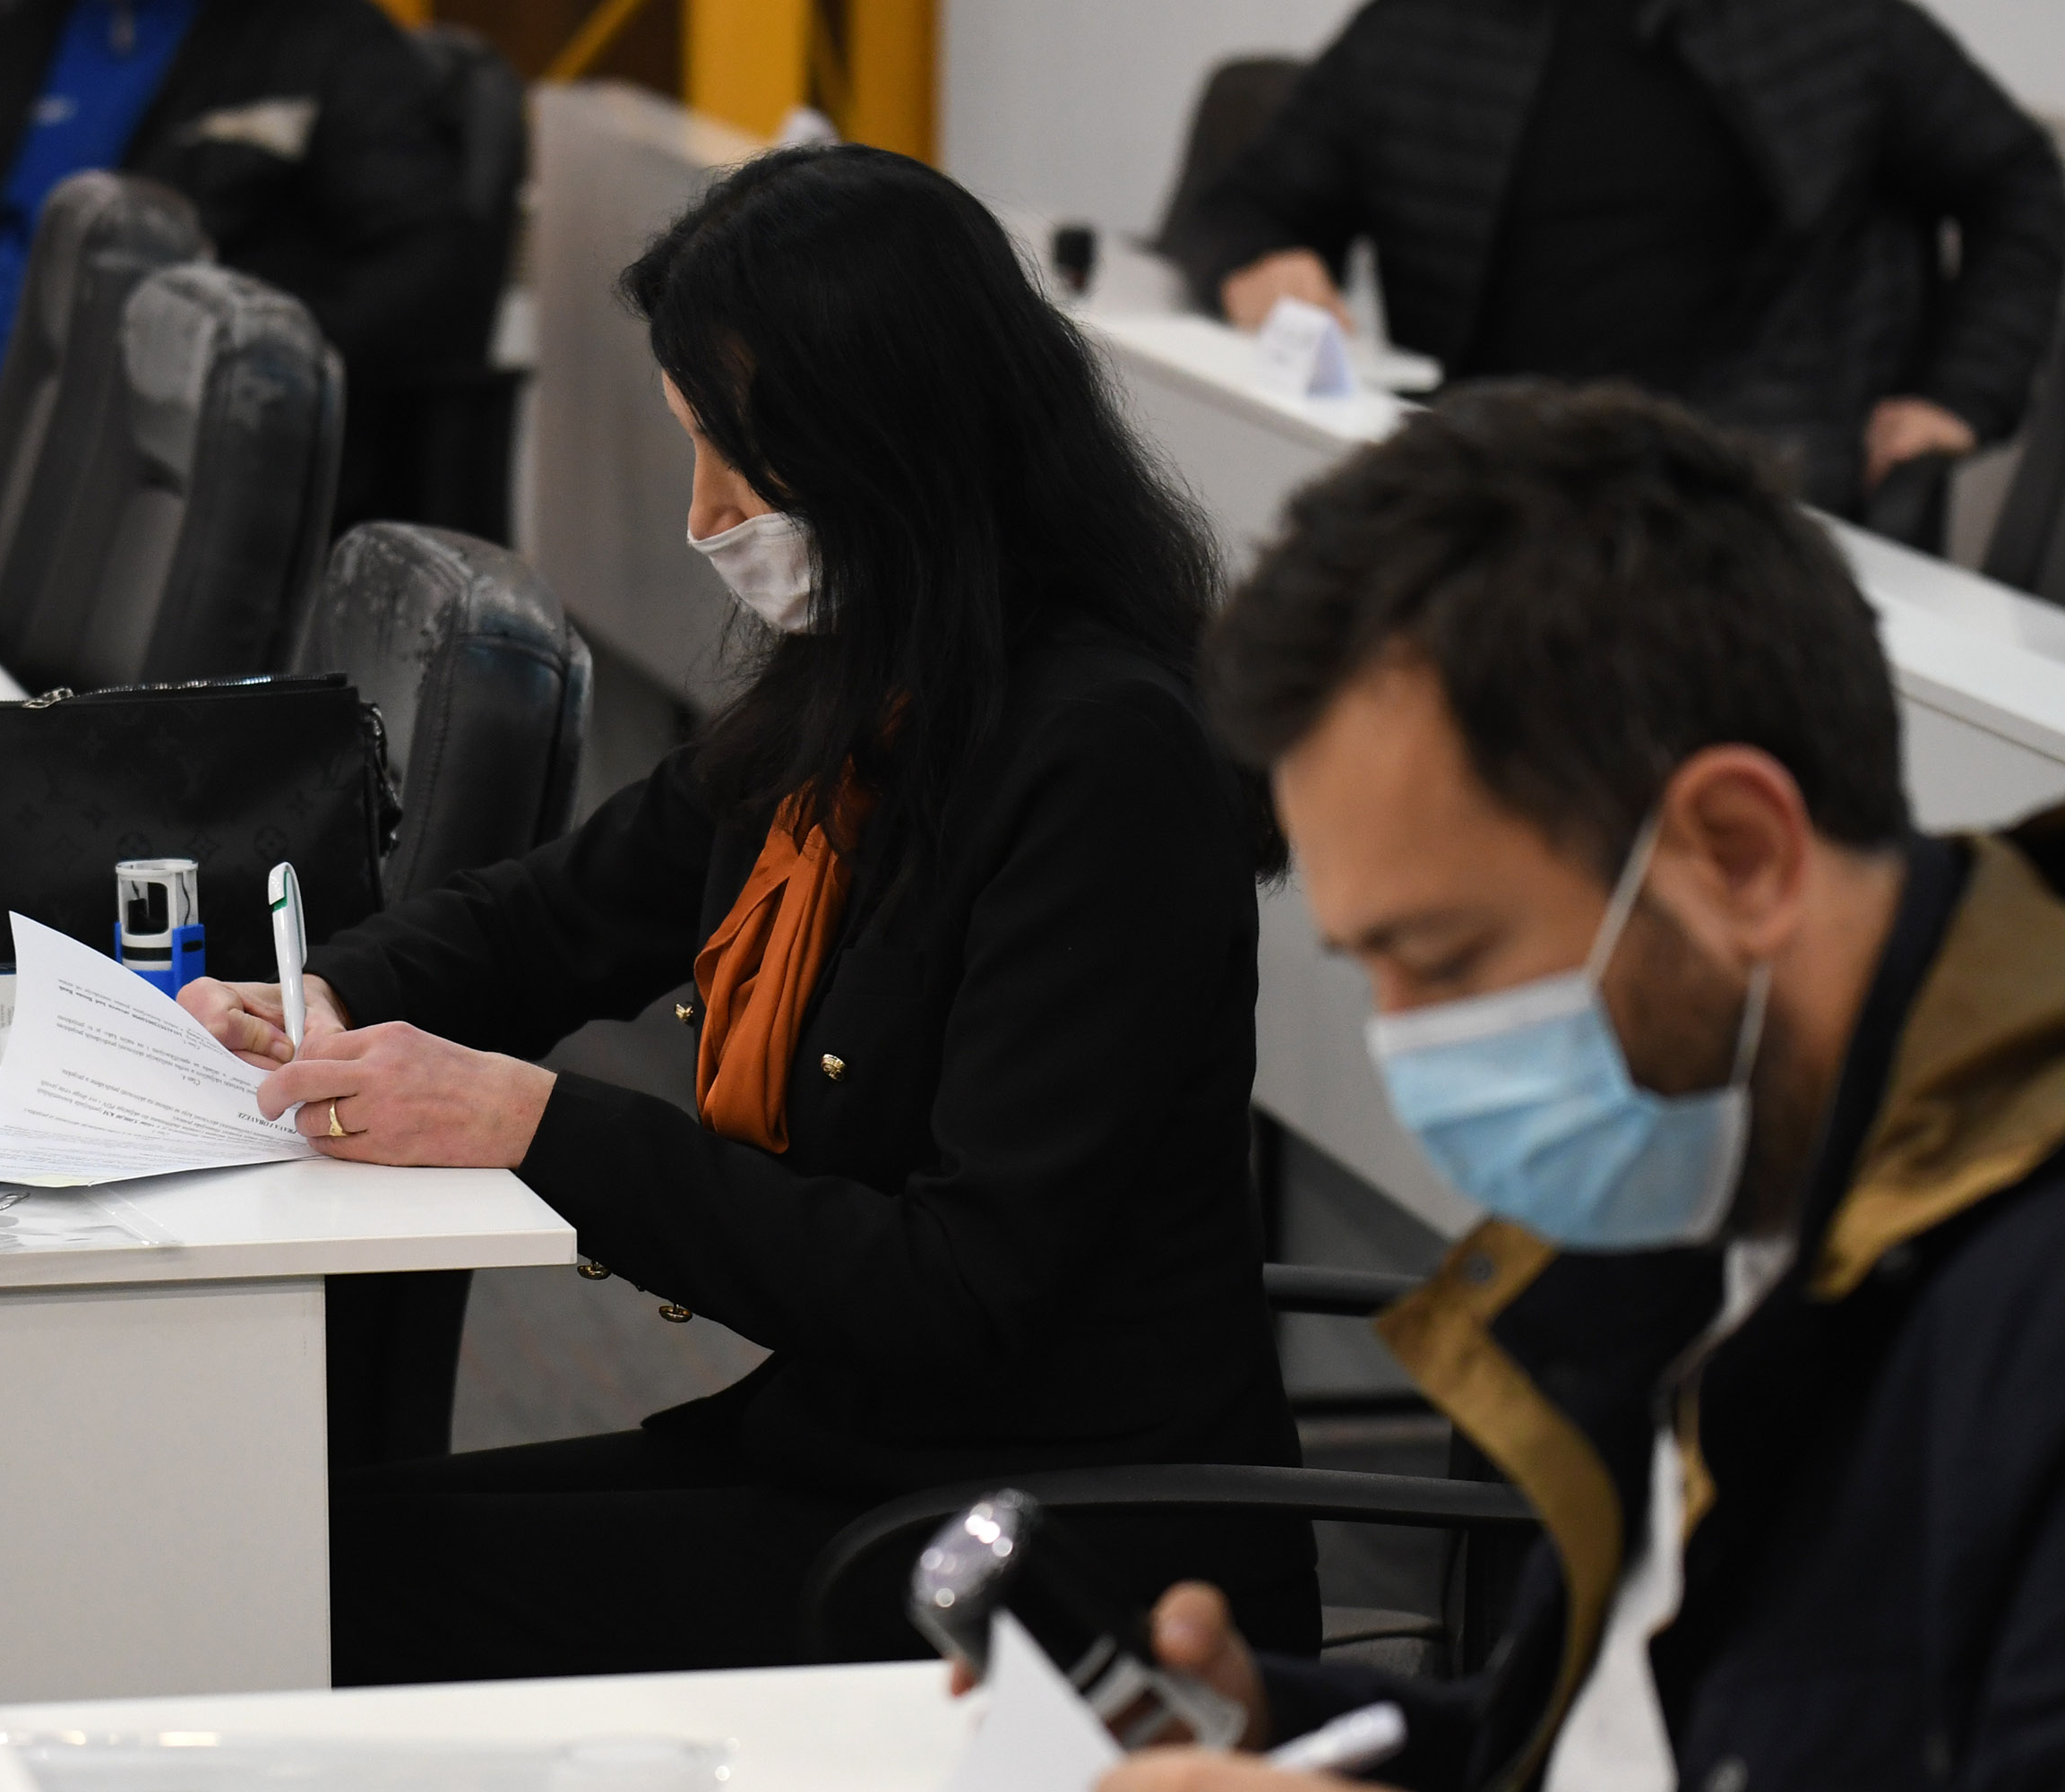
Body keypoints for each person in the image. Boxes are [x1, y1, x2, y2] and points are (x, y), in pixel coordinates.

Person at [177, 144, 1317, 1681]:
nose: (707, 514)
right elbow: (559, 917)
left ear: (893, 441)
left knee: (306, 1599)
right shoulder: (871, 681)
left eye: (743, 458)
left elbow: (957, 1287)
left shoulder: (1103, 758)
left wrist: (534, 1124)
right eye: (696, 447)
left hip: (1050, 1546)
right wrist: (326, 995)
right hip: (865, 1455)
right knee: (283, 1560)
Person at [1093, 382, 2065, 1791]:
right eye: (1373, 967)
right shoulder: (1722, 1177)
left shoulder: (2014, 1309)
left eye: (1446, 957)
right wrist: (1271, 1723)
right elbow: (1629, 1742)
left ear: (1738, 853)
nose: (1403, 1046)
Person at [1175, 0, 2065, 515]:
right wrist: (1259, 264)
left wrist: (1961, 392)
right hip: (1484, 494)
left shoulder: (1831, 26)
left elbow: (2021, 181)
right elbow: (1244, 202)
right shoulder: (1424, 28)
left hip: (1752, 507)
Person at [0, 0, 490, 537]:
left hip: (172, 501)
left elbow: (435, 274)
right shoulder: (1, 36)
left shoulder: (330, 40)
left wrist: (235, 377)